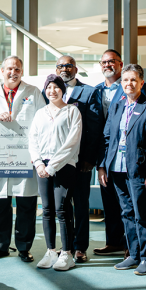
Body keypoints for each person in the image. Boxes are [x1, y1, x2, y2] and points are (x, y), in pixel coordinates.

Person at [0, 55, 46, 262]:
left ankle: (24, 248)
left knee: (26, 204)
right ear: (2, 71)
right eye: (9, 69)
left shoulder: (32, 92)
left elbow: (41, 121)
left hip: (25, 155)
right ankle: (0, 246)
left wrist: (38, 154)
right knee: (0, 204)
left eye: (17, 69)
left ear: (21, 72)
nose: (13, 73)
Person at [98, 64, 146, 275]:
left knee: (142, 215)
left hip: (139, 171)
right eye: (125, 80)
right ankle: (133, 255)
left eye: (133, 80)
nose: (129, 84)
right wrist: (102, 167)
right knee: (126, 214)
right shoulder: (116, 107)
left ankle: (145, 259)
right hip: (116, 170)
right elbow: (107, 139)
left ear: (141, 83)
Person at [42, 55, 103, 263]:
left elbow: (94, 128)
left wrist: (88, 159)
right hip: (55, 163)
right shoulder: (49, 92)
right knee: (61, 205)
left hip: (80, 161)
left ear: (76, 69)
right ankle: (64, 246)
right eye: (60, 66)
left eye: (68, 65)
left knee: (80, 203)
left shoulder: (89, 92)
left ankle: (79, 247)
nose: (64, 69)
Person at [93, 49, 146, 257]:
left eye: (112, 61)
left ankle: (132, 247)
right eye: (103, 62)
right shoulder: (96, 90)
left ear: (120, 64)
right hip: (108, 156)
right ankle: (114, 242)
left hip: (131, 159)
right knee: (110, 202)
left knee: (132, 207)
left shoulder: (132, 86)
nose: (107, 65)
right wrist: (100, 163)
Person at [30, 74, 82, 271]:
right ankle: (51, 251)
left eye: (56, 87)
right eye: (49, 87)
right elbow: (32, 140)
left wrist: (52, 166)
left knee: (62, 209)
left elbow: (72, 143)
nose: (52, 91)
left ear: (62, 89)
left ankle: (66, 254)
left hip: (64, 165)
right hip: (42, 166)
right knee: (47, 210)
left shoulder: (72, 112)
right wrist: (38, 164)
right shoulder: (40, 113)